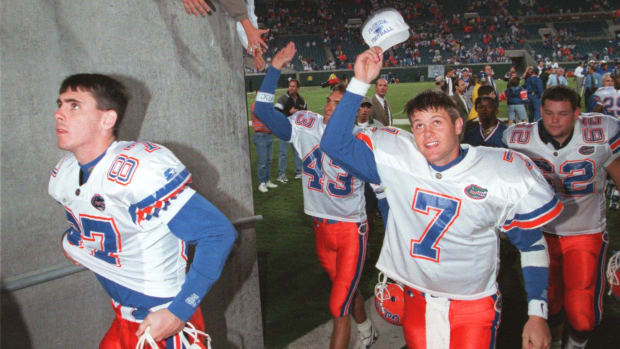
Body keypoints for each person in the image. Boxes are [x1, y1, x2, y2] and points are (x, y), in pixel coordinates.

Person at [322, 47, 562, 349]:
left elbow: (533, 243)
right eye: (419, 124)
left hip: (472, 304)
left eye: (437, 122)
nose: (427, 133)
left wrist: (537, 314)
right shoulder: (398, 159)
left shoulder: (495, 172)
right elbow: (333, 144)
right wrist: (359, 82)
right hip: (416, 299)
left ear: (458, 125)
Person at [49, 74, 237, 347]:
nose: (58, 114)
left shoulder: (137, 169)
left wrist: (179, 312)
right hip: (123, 316)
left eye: (74, 105)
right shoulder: (65, 173)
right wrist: (71, 242)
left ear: (107, 120)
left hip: (162, 319)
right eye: (60, 104)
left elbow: (218, 235)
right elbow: (96, 224)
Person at [253, 42, 377, 349]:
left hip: (351, 230)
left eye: (340, 102)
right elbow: (262, 112)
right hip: (320, 228)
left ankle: (358, 329)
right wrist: (276, 67)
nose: (331, 107)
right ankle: (366, 330)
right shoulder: (305, 123)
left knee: (338, 307)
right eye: (330, 101)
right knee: (344, 291)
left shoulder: (362, 140)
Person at [503, 86, 620, 349]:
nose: (555, 120)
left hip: (585, 232)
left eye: (563, 113)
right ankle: (555, 343)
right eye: (549, 113)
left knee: (582, 315)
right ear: (540, 111)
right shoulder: (518, 138)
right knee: (550, 302)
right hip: (542, 232)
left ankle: (575, 345)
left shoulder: (601, 132)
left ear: (577, 113)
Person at [274, 79, 306, 182]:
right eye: (290, 86)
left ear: (298, 88)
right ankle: (281, 175)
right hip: (284, 130)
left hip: (296, 131)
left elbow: (306, 114)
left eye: (293, 86)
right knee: (283, 153)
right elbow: (275, 114)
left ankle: (299, 172)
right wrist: (288, 112)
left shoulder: (302, 100)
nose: (291, 88)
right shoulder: (283, 99)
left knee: (297, 152)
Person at [251, 102, 278, 192]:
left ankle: (266, 181)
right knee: (263, 161)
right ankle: (261, 183)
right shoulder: (256, 105)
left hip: (268, 135)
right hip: (260, 136)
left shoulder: (267, 105)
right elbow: (264, 116)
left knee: (269, 161)